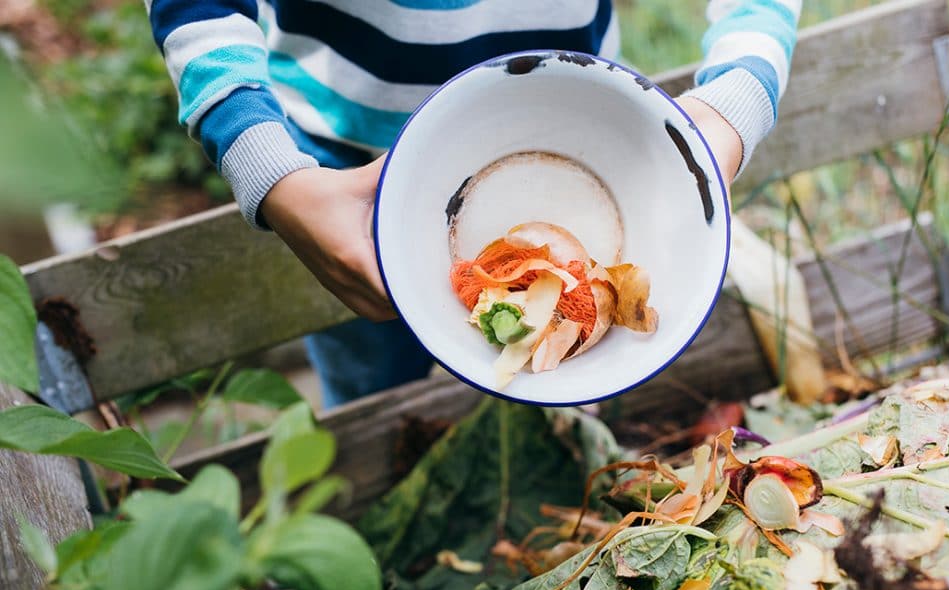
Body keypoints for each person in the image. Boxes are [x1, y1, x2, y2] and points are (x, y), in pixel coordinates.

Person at [145, 0, 801, 409]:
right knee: (372, 404)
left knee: (555, 411)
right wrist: (276, 175)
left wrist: (734, 102)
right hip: (347, 203)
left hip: (590, 169)